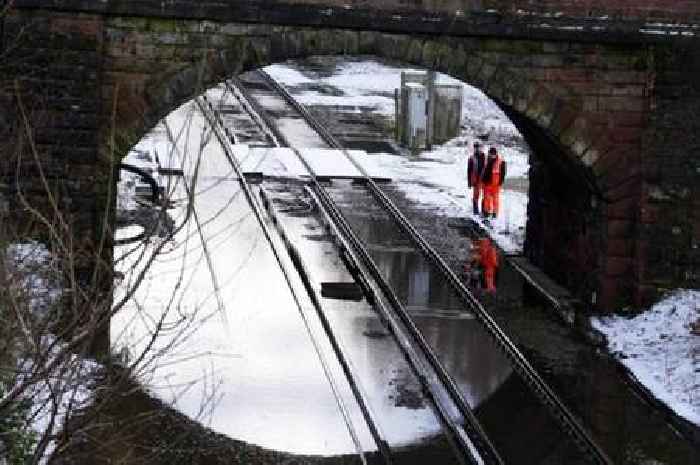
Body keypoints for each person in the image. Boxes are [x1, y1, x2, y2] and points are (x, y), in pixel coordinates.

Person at [481, 147, 506, 219]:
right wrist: (483, 181)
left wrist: (500, 183)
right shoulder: (487, 161)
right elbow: (484, 172)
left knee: (495, 200)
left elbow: (503, 174)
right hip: (487, 184)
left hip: (496, 185)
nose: (490, 156)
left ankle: (495, 213)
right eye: (489, 154)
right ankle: (487, 212)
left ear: (495, 154)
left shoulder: (501, 162)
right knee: (487, 199)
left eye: (491, 155)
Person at [467, 141, 486, 215]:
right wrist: (469, 182)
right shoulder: (471, 158)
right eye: (475, 147)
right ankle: (475, 211)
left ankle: (484, 211)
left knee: (485, 196)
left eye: (478, 147)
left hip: (484, 179)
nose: (477, 149)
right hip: (475, 180)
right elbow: (469, 171)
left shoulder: (485, 157)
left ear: (481, 148)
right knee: (476, 196)